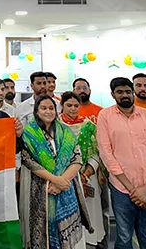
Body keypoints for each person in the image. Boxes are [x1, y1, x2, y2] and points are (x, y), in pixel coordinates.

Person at [97, 78, 146, 249]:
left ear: (133, 92)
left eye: (128, 92)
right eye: (120, 92)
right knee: (123, 237)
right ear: (112, 94)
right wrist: (132, 190)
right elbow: (106, 153)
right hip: (121, 188)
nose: (125, 95)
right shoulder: (105, 116)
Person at [20, 94, 89, 249]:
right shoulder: (29, 133)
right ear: (36, 111)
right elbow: (28, 161)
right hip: (42, 189)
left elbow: (77, 158)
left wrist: (62, 181)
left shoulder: (66, 131)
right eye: (43, 108)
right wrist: (55, 180)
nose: (48, 111)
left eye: (51, 108)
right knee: (45, 232)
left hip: (67, 187)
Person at [59, 91, 106, 247]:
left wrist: (87, 172)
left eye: (76, 105)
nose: (73, 109)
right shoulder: (55, 126)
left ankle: (90, 240)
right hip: (63, 176)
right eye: (69, 105)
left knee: (90, 209)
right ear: (62, 105)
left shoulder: (89, 126)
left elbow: (97, 152)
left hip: (87, 175)